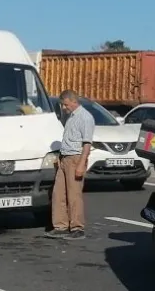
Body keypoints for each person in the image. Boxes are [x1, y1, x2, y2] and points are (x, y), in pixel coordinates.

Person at [45, 90, 95, 240]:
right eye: (62, 105)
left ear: (73, 101)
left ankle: (77, 228)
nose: (64, 108)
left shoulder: (85, 117)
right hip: (64, 158)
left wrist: (81, 164)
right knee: (58, 194)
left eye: (65, 104)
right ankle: (60, 226)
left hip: (75, 158)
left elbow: (87, 143)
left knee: (74, 195)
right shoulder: (71, 116)